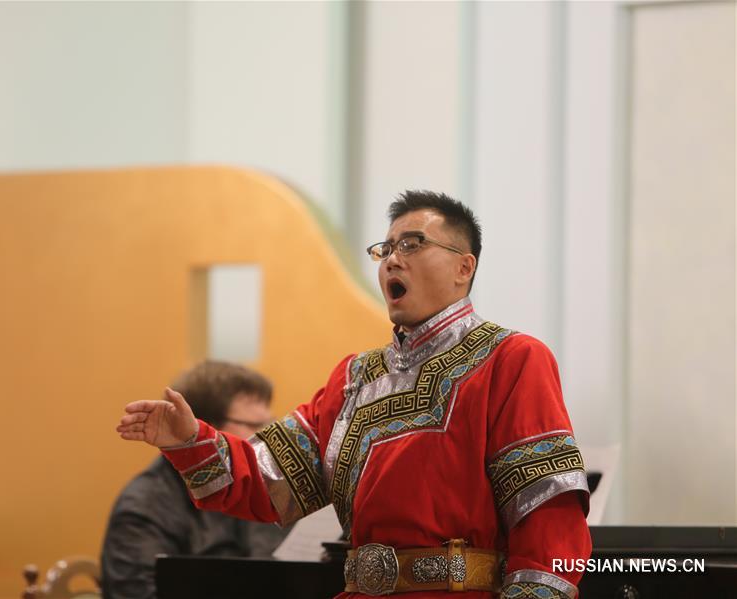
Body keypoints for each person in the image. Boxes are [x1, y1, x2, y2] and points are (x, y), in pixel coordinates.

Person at [117, 191, 592, 598]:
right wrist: (190, 439)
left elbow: (549, 523)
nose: (392, 259)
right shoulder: (354, 379)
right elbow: (268, 481)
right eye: (386, 249)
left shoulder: (510, 359)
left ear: (463, 268)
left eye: (412, 244)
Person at [101, 360, 288, 599]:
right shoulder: (144, 506)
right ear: (201, 427)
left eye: (269, 424)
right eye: (255, 425)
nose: (266, 438)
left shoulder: (263, 487)